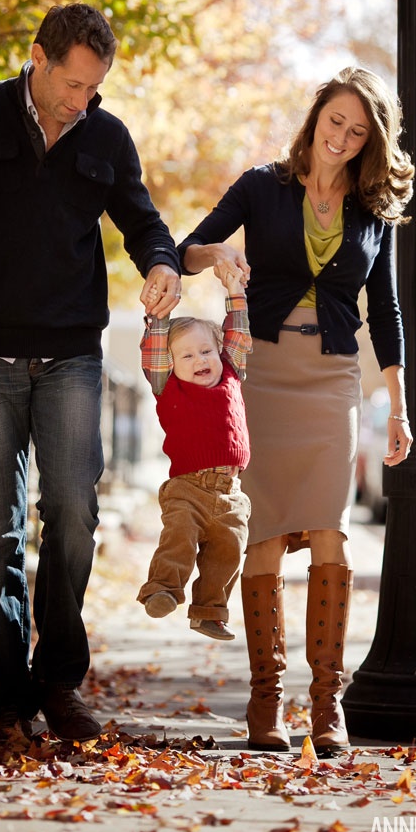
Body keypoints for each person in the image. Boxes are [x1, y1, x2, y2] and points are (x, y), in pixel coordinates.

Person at [0, 3, 182, 753]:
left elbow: (143, 220)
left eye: (93, 88)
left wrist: (161, 262)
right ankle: (10, 693)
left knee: (74, 514)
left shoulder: (106, 136)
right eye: (72, 84)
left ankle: (59, 679)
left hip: (71, 359)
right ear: (37, 57)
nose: (79, 102)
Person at [178, 66, 415, 755]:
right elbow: (186, 250)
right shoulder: (262, 186)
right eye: (334, 121)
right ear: (314, 121)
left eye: (357, 130)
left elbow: (387, 310)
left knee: (331, 529)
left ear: (370, 141)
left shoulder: (372, 210)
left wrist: (398, 406)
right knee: (268, 534)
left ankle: (326, 704)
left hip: (335, 380)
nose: (341, 137)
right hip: (263, 376)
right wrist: (219, 252)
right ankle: (265, 700)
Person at [137, 269, 252, 640]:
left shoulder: (231, 374)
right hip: (188, 488)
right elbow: (155, 348)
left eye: (206, 351)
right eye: (186, 355)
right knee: (180, 536)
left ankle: (209, 611)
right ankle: (162, 590)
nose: (200, 359)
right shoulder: (168, 387)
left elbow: (237, 337)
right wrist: (159, 312)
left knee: (229, 551)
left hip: (231, 493)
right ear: (171, 365)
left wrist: (235, 292)